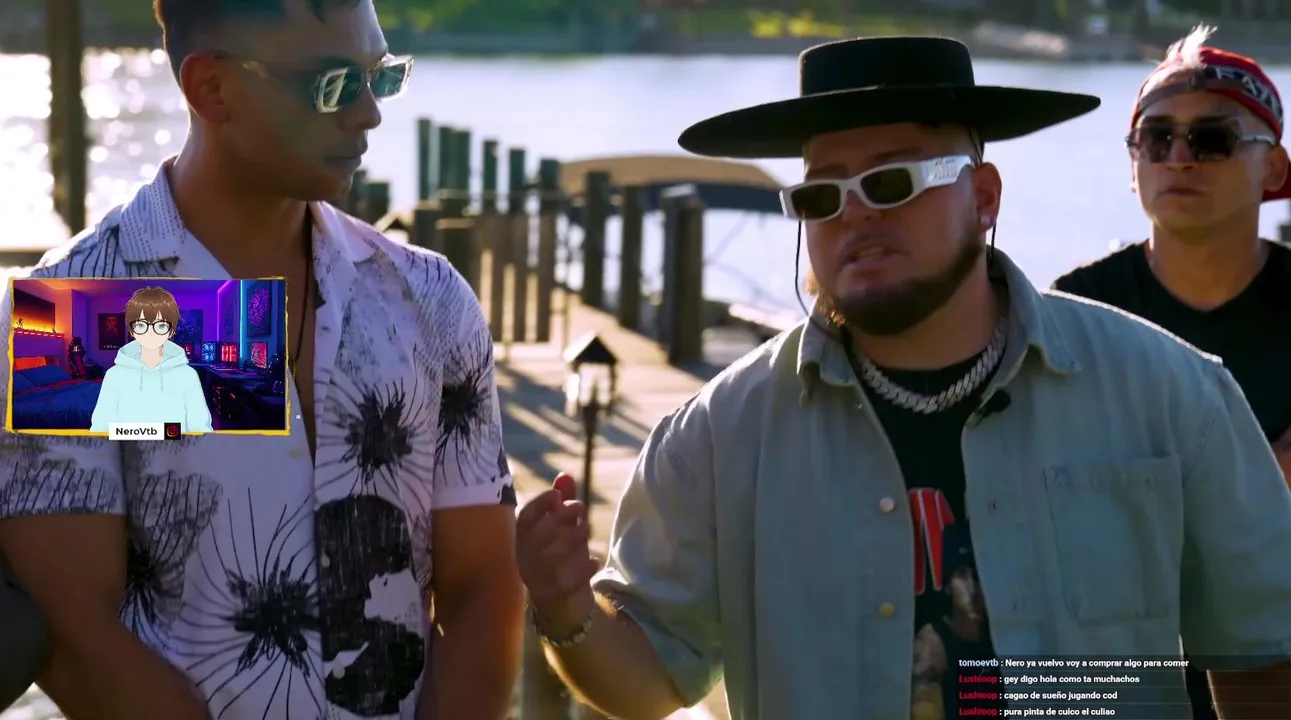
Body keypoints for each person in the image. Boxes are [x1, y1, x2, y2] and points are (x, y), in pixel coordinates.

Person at [514, 36, 1291, 720]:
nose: (855, 215)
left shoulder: (1171, 393)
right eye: (821, 195)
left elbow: (1262, 658)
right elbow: (649, 685)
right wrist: (566, 610)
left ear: (982, 198)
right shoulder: (718, 435)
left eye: (892, 183)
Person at [0, 2, 524, 719]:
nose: (369, 113)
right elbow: (74, 631)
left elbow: (483, 587)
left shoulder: (427, 296)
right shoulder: (84, 311)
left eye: (380, 76)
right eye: (333, 84)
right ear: (210, 88)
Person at [1051, 25, 1291, 719]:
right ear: (1134, 165)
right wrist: (1254, 480)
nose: (1179, 158)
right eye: (1156, 139)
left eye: (1212, 139)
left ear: (1272, 169)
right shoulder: (1073, 312)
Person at [89, 286, 215, 434]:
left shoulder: (187, 376)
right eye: (141, 325)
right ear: (132, 330)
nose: (150, 333)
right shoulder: (114, 375)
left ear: (171, 331)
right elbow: (100, 428)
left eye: (160, 325)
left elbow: (200, 429)